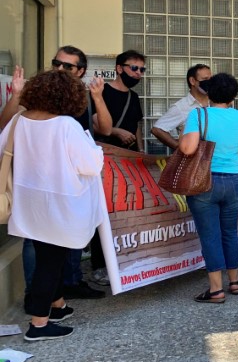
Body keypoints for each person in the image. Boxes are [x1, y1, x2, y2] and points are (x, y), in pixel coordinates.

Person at [1, 70, 107, 340]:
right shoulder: (66, 125)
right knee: (50, 263)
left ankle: (57, 305)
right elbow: (90, 165)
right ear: (68, 96)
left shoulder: (19, 120)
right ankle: (38, 324)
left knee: (48, 258)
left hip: (29, 202)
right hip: (61, 204)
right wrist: (97, 149)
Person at [178, 73, 238, 303]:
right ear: (233, 96)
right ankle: (235, 281)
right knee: (229, 232)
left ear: (209, 93)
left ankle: (216, 290)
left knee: (210, 236)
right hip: (233, 179)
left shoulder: (198, 114)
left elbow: (187, 149)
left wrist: (183, 133)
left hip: (205, 180)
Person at [88, 50, 146, 286]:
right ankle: (99, 265)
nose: (138, 73)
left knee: (125, 211)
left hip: (128, 162)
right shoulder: (101, 93)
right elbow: (95, 124)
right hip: (104, 161)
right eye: (134, 68)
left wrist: (140, 151)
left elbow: (137, 126)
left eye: (142, 69)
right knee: (103, 213)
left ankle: (121, 259)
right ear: (119, 68)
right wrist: (116, 132)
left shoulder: (134, 97)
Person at [151, 64, 211, 150]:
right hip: (197, 156)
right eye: (205, 79)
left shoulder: (216, 102)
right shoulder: (182, 107)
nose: (210, 82)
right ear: (192, 81)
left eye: (211, 79)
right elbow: (157, 129)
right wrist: (180, 149)